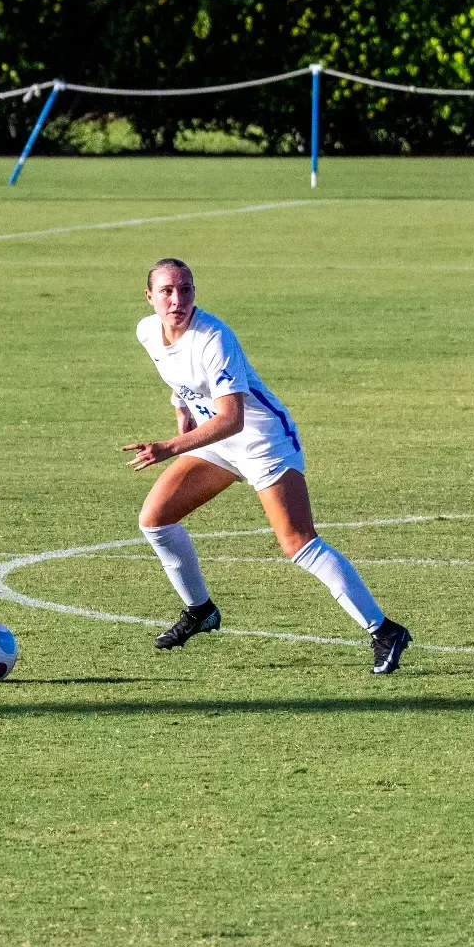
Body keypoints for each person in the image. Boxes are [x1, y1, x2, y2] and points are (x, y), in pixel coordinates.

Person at [122, 257, 412, 674]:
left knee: (297, 543)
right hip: (215, 442)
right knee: (155, 520)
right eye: (166, 291)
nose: (177, 299)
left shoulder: (213, 337)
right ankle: (200, 610)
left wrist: (171, 445)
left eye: (185, 289)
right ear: (149, 297)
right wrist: (181, 412)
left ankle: (385, 630)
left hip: (262, 440)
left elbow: (233, 417)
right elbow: (179, 380)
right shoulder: (147, 331)